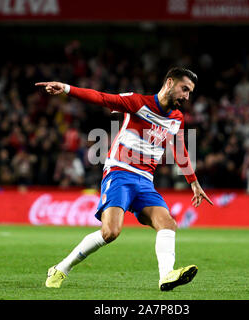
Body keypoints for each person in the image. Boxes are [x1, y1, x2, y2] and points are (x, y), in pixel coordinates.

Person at [35, 67, 213, 291]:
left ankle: (166, 275)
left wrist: (194, 183)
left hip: (145, 181)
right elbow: (101, 97)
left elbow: (180, 149)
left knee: (168, 224)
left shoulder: (177, 118)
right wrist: (67, 89)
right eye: (184, 89)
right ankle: (61, 268)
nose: (187, 97)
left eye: (190, 93)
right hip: (120, 172)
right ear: (169, 83)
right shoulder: (138, 103)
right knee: (110, 232)